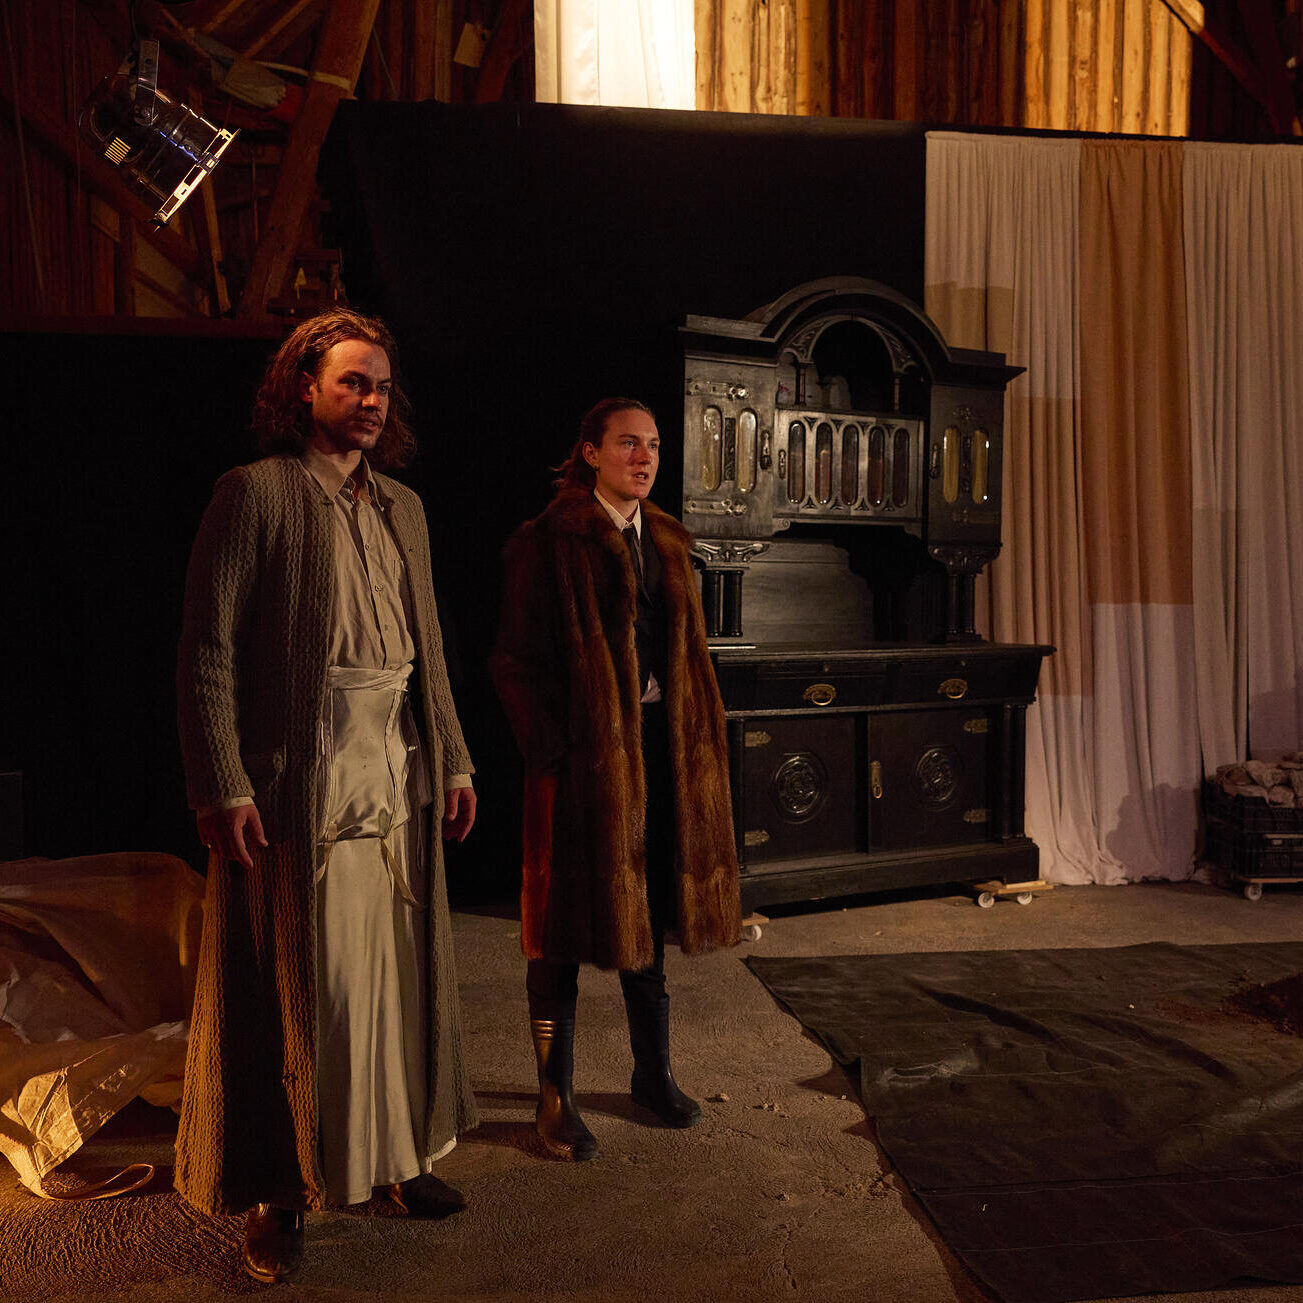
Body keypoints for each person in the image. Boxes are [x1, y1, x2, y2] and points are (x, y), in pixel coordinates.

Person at [176, 308, 478, 1282]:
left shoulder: (404, 508)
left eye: (380, 385)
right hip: (298, 780)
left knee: (390, 977)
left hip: (395, 768)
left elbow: (430, 650)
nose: (370, 399)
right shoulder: (254, 494)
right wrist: (222, 780)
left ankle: (394, 1161)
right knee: (305, 987)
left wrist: (455, 759)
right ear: (303, 387)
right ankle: (280, 1191)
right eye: (351, 380)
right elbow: (208, 651)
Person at [491, 397, 741, 1162]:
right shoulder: (546, 541)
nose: (643, 457)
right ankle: (554, 1096)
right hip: (581, 765)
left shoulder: (666, 540)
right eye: (628, 443)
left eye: (653, 446)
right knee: (557, 935)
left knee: (649, 911)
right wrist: (559, 749)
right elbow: (513, 662)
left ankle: (651, 1074)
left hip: (659, 755)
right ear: (590, 452)